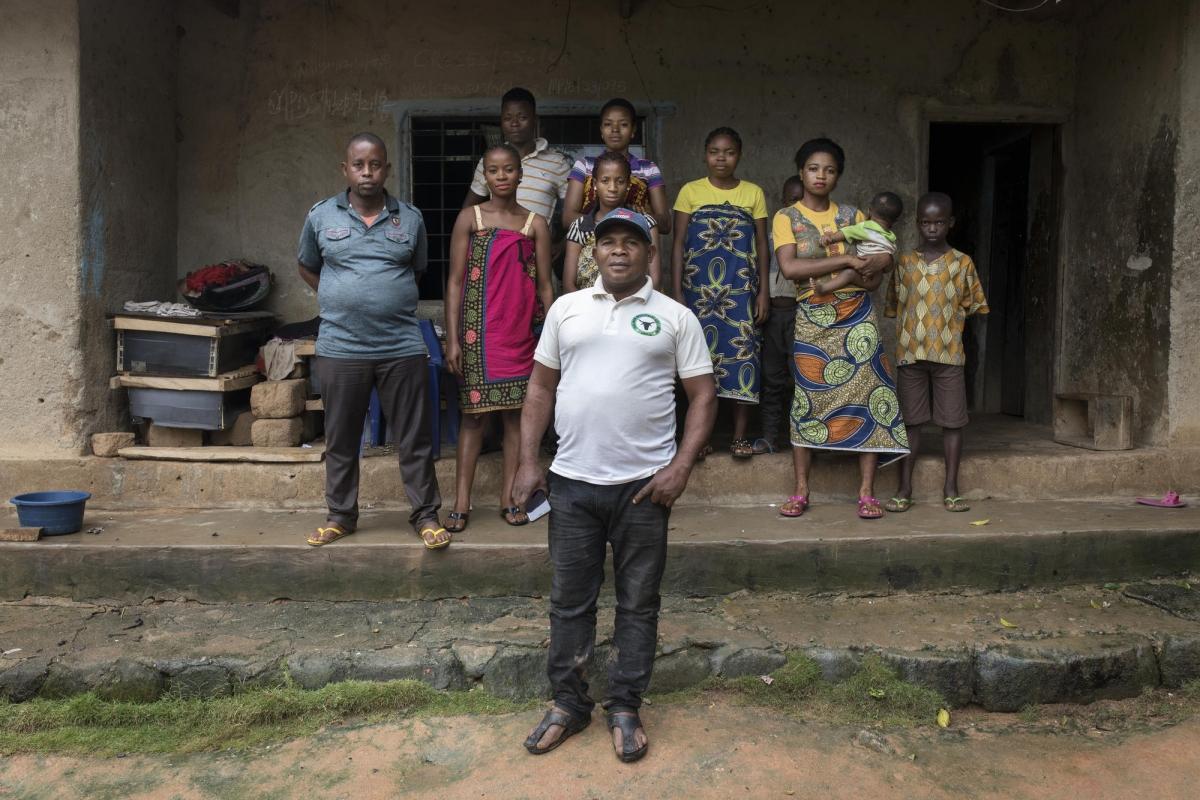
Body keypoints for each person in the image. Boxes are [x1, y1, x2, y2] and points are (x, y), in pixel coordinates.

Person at [512, 208, 716, 763]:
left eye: (632, 242)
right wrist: (529, 461)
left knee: (638, 603)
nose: (619, 251)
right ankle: (568, 705)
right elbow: (539, 390)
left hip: (644, 490)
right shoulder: (565, 310)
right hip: (573, 484)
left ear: (650, 254)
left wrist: (680, 467)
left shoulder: (676, 317)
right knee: (569, 603)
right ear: (593, 254)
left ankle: (625, 706)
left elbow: (703, 396)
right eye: (609, 243)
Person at [296, 132, 446, 548]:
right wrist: (341, 298)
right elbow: (308, 267)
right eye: (358, 165)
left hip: (400, 345)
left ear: (386, 169)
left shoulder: (411, 218)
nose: (367, 172)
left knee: (414, 437)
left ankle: (426, 515)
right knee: (342, 437)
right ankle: (341, 516)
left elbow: (415, 273)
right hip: (341, 346)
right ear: (345, 169)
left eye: (375, 164)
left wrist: (378, 298)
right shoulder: (321, 216)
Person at [773, 137, 908, 520]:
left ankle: (866, 492)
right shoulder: (787, 217)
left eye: (829, 170)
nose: (821, 176)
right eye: (814, 168)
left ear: (838, 176)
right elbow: (791, 269)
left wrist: (867, 270)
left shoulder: (853, 216)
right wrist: (849, 259)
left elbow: (876, 267)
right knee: (807, 399)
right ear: (801, 172)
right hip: (812, 317)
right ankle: (801, 490)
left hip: (857, 314)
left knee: (869, 393)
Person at [445, 144, 555, 531]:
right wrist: (455, 340)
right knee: (474, 419)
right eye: (494, 170)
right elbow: (455, 282)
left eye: (509, 169)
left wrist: (551, 338)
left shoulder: (534, 223)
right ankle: (461, 502)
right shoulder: (468, 218)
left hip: (521, 335)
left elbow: (544, 286)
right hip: (478, 335)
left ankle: (511, 498)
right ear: (485, 176)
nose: (502, 176)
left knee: (514, 420)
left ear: (520, 174)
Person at [884, 192, 989, 514]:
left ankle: (952, 488)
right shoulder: (903, 262)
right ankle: (904, 488)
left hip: (949, 355)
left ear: (950, 223)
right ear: (917, 224)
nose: (932, 228)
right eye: (926, 222)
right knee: (910, 423)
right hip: (910, 355)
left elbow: (975, 305)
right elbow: (894, 304)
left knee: (952, 422)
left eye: (939, 222)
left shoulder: (962, 263)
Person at [671, 127, 770, 459]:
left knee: (743, 358)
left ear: (739, 155)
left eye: (728, 152)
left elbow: (761, 246)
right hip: (698, 292)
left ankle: (739, 437)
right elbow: (679, 243)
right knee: (699, 363)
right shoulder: (689, 191)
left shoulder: (753, 193)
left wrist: (763, 293)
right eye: (714, 151)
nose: (721, 158)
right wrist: (677, 292)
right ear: (705, 154)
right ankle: (702, 437)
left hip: (741, 290)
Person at [561, 98, 672, 235]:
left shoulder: (648, 169)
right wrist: (613, 223)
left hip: (635, 245)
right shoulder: (584, 165)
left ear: (633, 130)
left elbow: (665, 224)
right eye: (608, 124)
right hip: (589, 245)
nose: (615, 130)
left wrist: (627, 221)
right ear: (601, 130)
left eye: (623, 124)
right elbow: (567, 219)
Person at [462, 87, 571, 226]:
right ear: (501, 122)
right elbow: (468, 208)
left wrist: (558, 246)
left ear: (535, 120)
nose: (514, 124)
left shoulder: (557, 163)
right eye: (508, 118)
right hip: (498, 245)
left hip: (537, 245)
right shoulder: (489, 160)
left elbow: (572, 213)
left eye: (522, 117)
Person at [752, 175, 806, 455]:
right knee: (772, 379)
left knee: (803, 380)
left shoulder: (812, 243)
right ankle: (771, 436)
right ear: (782, 204)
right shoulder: (770, 240)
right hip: (773, 317)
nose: (794, 207)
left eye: (800, 200)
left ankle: (805, 439)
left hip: (802, 314)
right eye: (789, 201)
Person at [563, 152, 660, 291]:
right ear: (595, 184)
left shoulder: (646, 223)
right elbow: (569, 284)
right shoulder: (580, 226)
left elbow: (655, 280)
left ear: (628, 184)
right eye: (605, 180)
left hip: (638, 305)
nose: (612, 188)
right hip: (589, 308)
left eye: (620, 181)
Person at [810, 191, 903, 295]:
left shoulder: (866, 227)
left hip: (861, 267)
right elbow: (888, 264)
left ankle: (823, 289)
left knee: (848, 274)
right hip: (875, 278)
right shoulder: (891, 237)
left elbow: (847, 232)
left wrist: (831, 237)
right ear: (895, 221)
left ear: (869, 211)